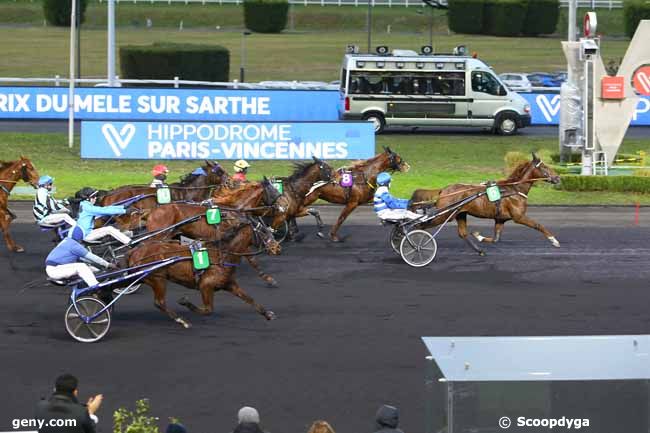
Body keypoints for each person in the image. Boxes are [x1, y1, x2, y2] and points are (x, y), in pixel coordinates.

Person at [35, 374, 103, 433]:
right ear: (75, 393)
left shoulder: (40, 407)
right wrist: (90, 413)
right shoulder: (81, 412)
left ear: (54, 389)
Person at [68, 187, 132, 245]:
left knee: (110, 228)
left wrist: (122, 207)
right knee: (109, 229)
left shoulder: (84, 204)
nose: (95, 198)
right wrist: (124, 211)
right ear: (87, 199)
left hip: (87, 232)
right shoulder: (88, 208)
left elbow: (107, 209)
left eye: (95, 196)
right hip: (87, 235)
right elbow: (105, 211)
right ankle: (129, 242)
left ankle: (124, 236)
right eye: (93, 197)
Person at [46, 237, 117, 287]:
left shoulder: (67, 242)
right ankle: (95, 286)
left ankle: (98, 281)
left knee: (90, 268)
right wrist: (107, 264)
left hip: (56, 267)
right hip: (55, 270)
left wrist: (104, 263)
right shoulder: (74, 246)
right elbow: (92, 257)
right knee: (81, 266)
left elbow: (87, 260)